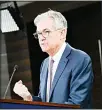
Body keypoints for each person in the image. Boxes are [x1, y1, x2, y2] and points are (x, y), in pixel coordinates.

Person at [13, 9, 94, 108]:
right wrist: (29, 98)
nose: (41, 38)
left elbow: (76, 104)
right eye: (38, 33)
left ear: (62, 33)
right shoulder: (45, 63)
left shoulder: (80, 59)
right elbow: (45, 101)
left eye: (46, 31)